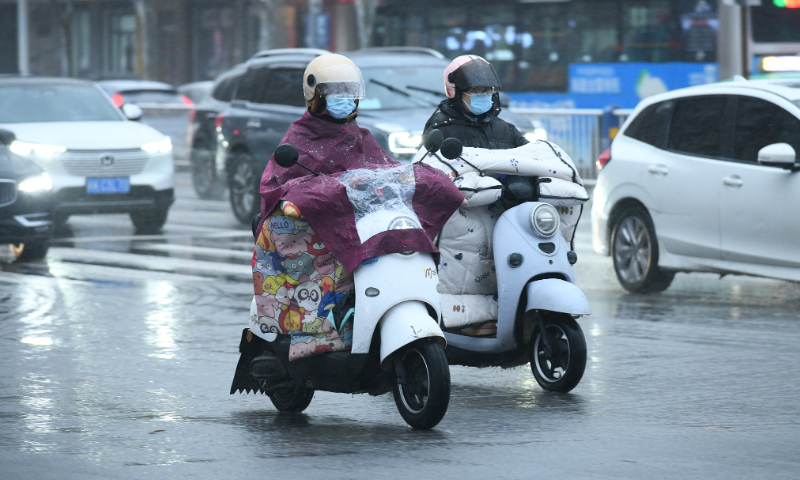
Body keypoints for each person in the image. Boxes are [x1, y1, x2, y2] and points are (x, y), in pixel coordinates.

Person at [250, 54, 463, 360]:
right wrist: (301, 199)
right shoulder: (299, 139)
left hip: (361, 224)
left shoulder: (359, 135)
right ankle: (321, 332)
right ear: (316, 96)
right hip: (318, 228)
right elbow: (280, 184)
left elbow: (384, 169)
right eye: (336, 93)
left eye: (350, 93)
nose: (345, 100)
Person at [423, 55, 527, 150]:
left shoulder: (506, 130)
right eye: (478, 89)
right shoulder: (439, 129)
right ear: (455, 92)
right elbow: (426, 162)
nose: (485, 94)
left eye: (489, 89)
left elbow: (530, 155)